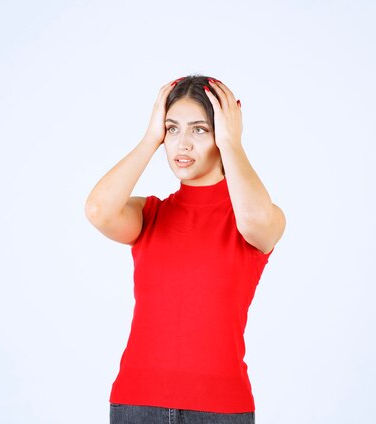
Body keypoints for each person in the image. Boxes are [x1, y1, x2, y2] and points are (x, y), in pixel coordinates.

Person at [85, 75, 286, 424]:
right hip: (136, 405)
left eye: (199, 130)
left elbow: (255, 220)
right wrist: (150, 139)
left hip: (221, 410)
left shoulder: (253, 218)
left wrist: (232, 144)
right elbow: (98, 211)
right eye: (172, 129)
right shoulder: (149, 215)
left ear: (223, 133)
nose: (182, 144)